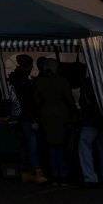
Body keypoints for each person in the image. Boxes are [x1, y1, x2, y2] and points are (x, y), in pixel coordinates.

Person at [33, 58, 77, 186]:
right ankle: (63, 174)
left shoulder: (39, 82)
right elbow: (69, 99)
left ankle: (54, 174)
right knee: (62, 146)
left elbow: (36, 99)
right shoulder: (62, 81)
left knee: (51, 146)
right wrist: (74, 112)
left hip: (46, 116)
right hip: (61, 116)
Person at [8, 55, 46, 184]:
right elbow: (28, 101)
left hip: (19, 116)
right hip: (26, 116)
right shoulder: (24, 81)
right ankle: (36, 170)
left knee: (24, 143)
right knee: (31, 143)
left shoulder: (15, 79)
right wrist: (34, 117)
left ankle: (26, 171)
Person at [77, 71, 103, 188]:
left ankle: (90, 177)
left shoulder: (88, 83)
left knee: (85, 145)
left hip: (91, 120)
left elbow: (83, 102)